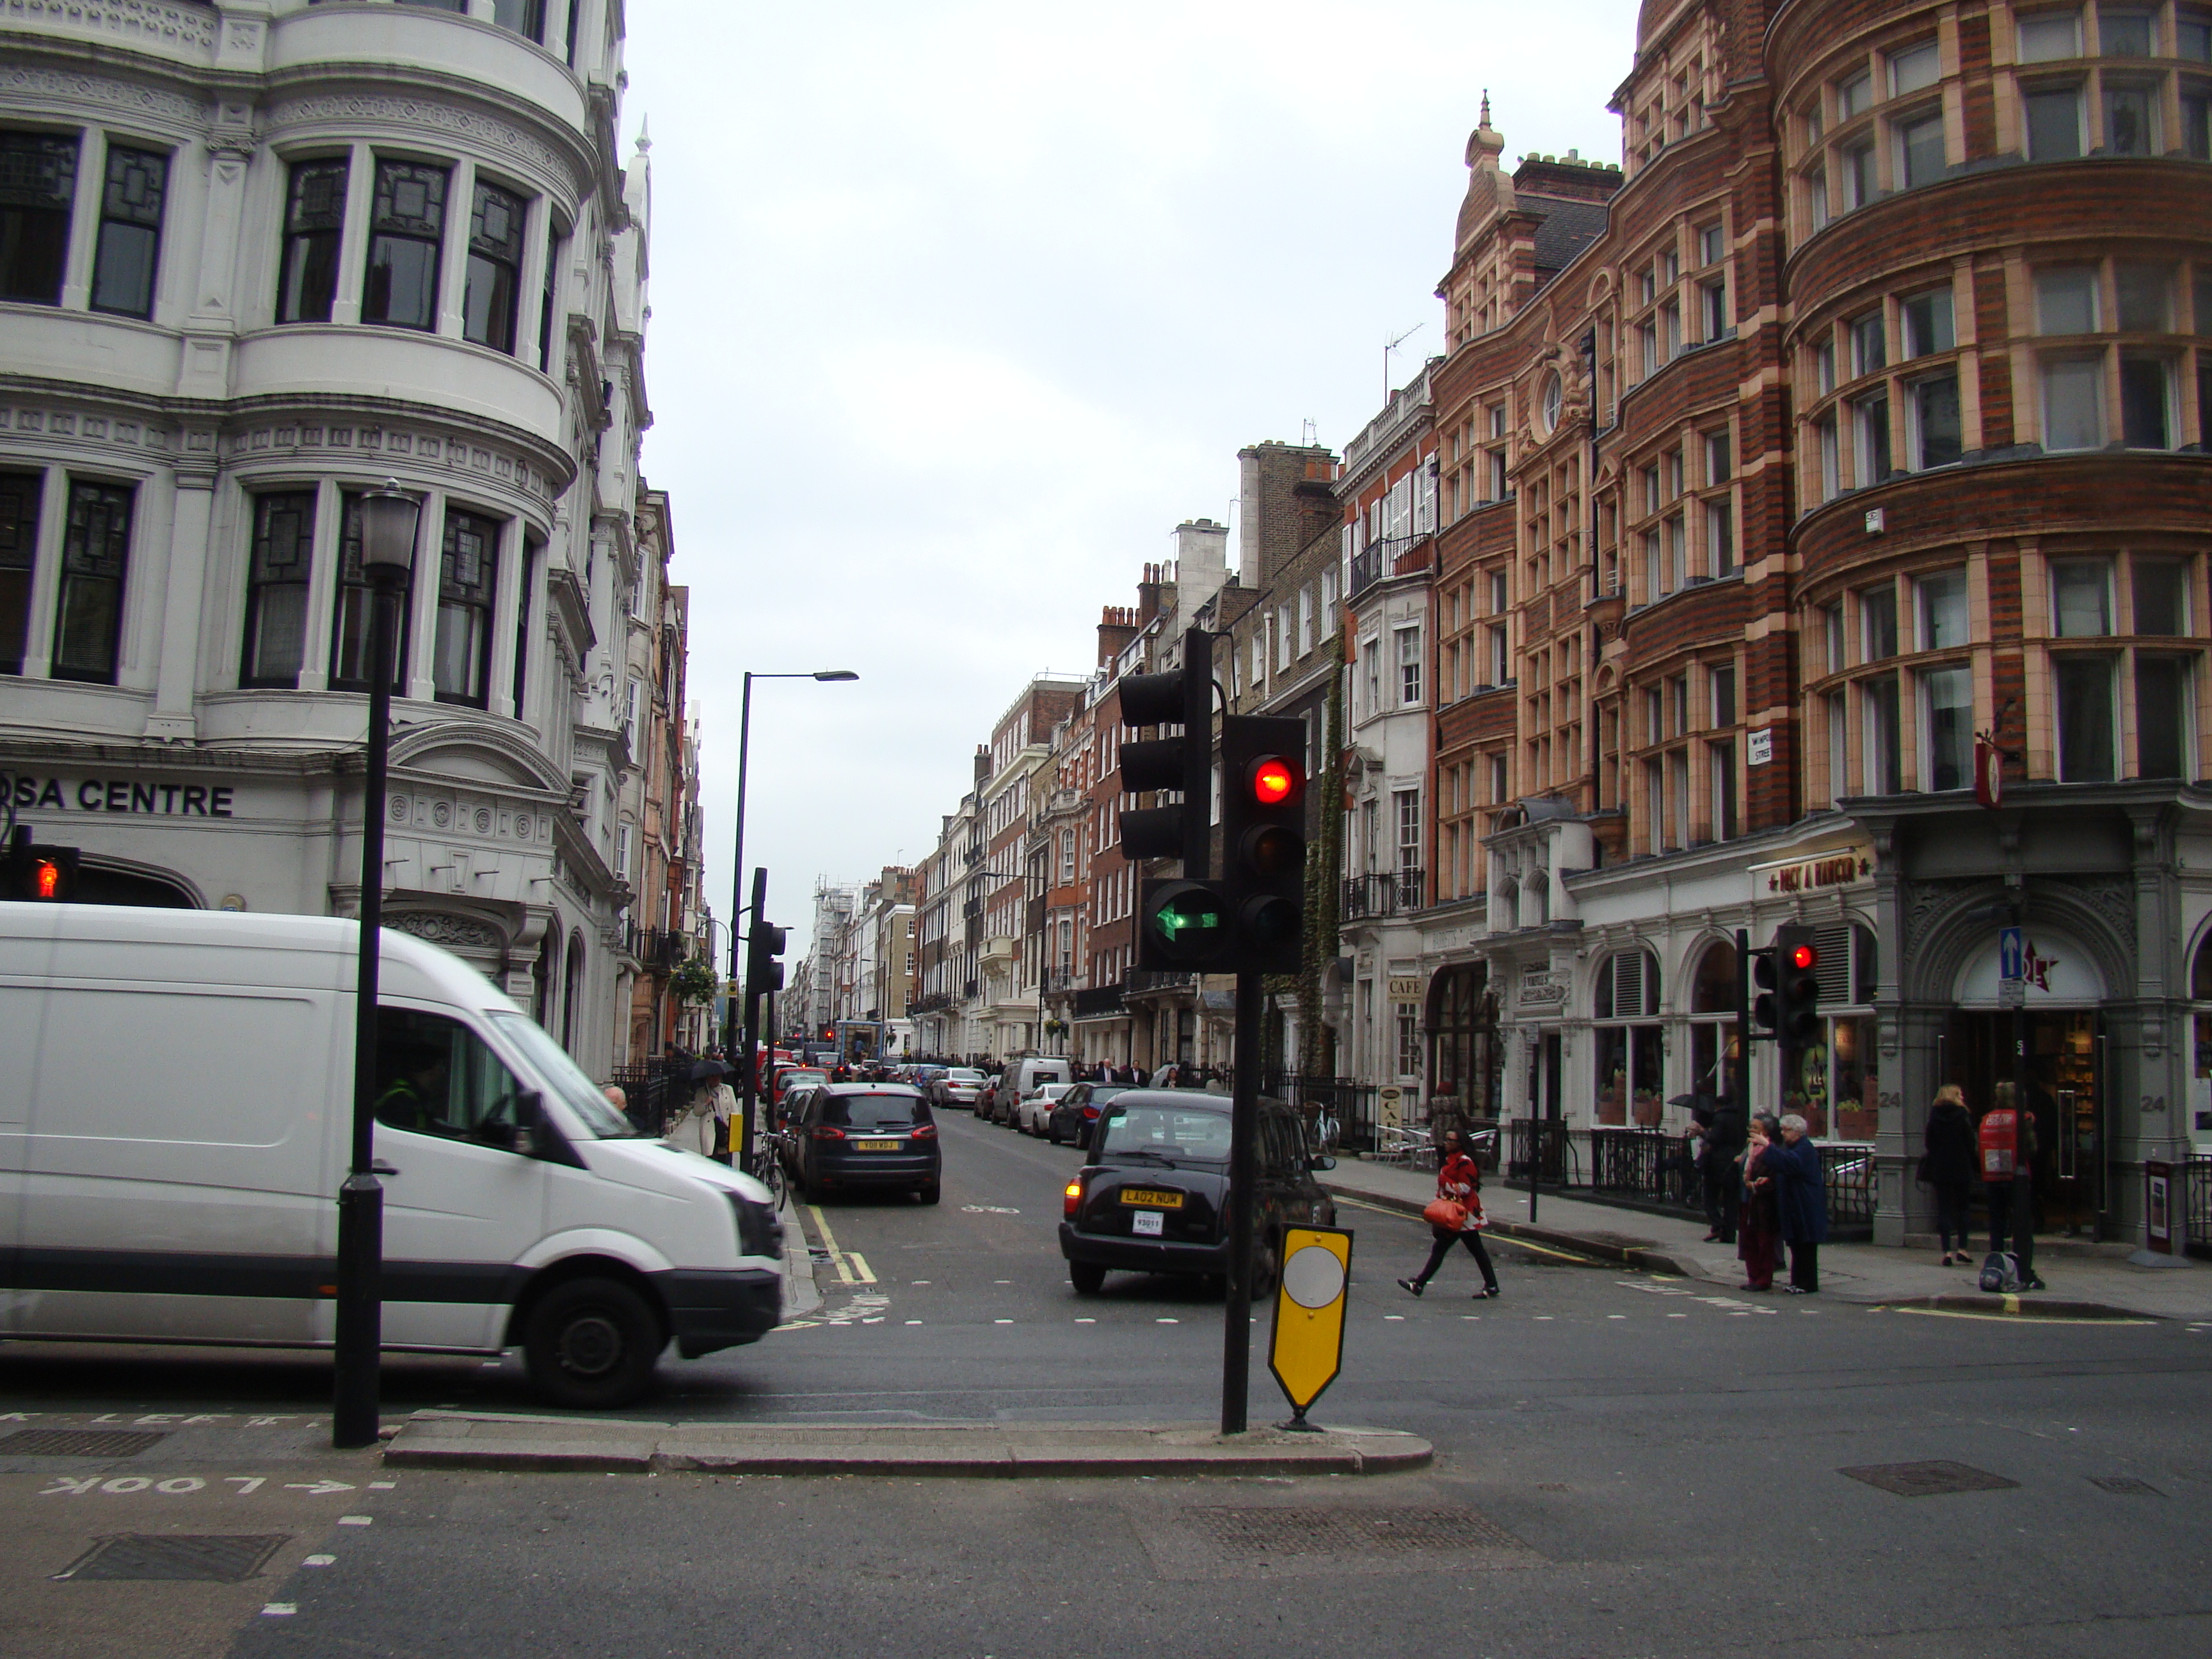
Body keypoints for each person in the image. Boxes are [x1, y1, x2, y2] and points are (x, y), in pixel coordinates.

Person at [1397, 1129, 1500, 1299]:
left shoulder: (1464, 1162)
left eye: (1450, 1140)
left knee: (1442, 1248)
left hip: (1462, 1213)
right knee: (1475, 1251)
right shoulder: (1452, 1160)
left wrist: (1445, 1182)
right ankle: (1492, 1286)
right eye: (1445, 1139)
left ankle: (1419, 1284)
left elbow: (1466, 1189)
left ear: (1459, 1144)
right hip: (1458, 1212)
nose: (1446, 1143)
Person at [1982, 1080, 2045, 1290]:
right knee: (2022, 1225)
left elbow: (1978, 1147)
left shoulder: (1988, 1118)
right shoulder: (2023, 1118)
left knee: (1997, 1225)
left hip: (1992, 1177)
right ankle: (2023, 1270)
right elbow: (2031, 1148)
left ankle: (1997, 1267)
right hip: (2016, 1179)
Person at [1768, 1112, 1828, 1293]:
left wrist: (1768, 1148)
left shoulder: (1804, 1148)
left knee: (1806, 1245)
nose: (1783, 1134)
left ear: (1798, 1131)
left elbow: (1790, 1164)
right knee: (1796, 1245)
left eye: (1786, 1130)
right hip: (1795, 1204)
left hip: (1805, 1204)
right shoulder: (1792, 1147)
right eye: (1782, 1130)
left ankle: (1807, 1283)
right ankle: (1796, 1281)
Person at [1923, 1083, 1977, 1265]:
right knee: (1963, 1208)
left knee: (1944, 1210)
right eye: (1960, 1095)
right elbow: (1971, 1142)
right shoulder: (1962, 1116)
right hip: (1961, 1167)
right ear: (1954, 1096)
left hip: (1940, 1168)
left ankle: (1946, 1251)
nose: (1962, 1098)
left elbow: (1929, 1142)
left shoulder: (1934, 1116)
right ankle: (1962, 1248)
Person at [1737, 1120, 1779, 1290]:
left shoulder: (1770, 1149)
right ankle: (1753, 1277)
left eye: (1756, 1128)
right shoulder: (1749, 1148)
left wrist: (1756, 1184)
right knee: (1749, 1240)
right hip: (1747, 1198)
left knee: (1764, 1241)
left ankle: (1763, 1278)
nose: (1751, 1131)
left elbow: (1774, 1174)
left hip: (1763, 1202)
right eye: (1751, 1127)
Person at [1703, 1096, 1747, 1244]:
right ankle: (1729, 1233)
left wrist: (1703, 1132)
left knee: (1710, 1196)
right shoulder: (1741, 1118)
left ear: (1718, 1106)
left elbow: (1714, 1138)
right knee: (1731, 1200)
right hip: (1735, 1160)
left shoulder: (1719, 1118)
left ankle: (1718, 1224)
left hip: (1718, 1162)